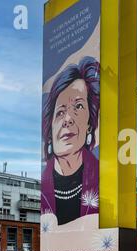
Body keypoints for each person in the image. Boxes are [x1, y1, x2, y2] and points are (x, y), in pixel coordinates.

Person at [41, 57, 100, 225]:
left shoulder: (103, 180)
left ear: (90, 123)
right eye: (60, 112)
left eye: (78, 107)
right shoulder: (44, 189)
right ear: (50, 127)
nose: (67, 118)